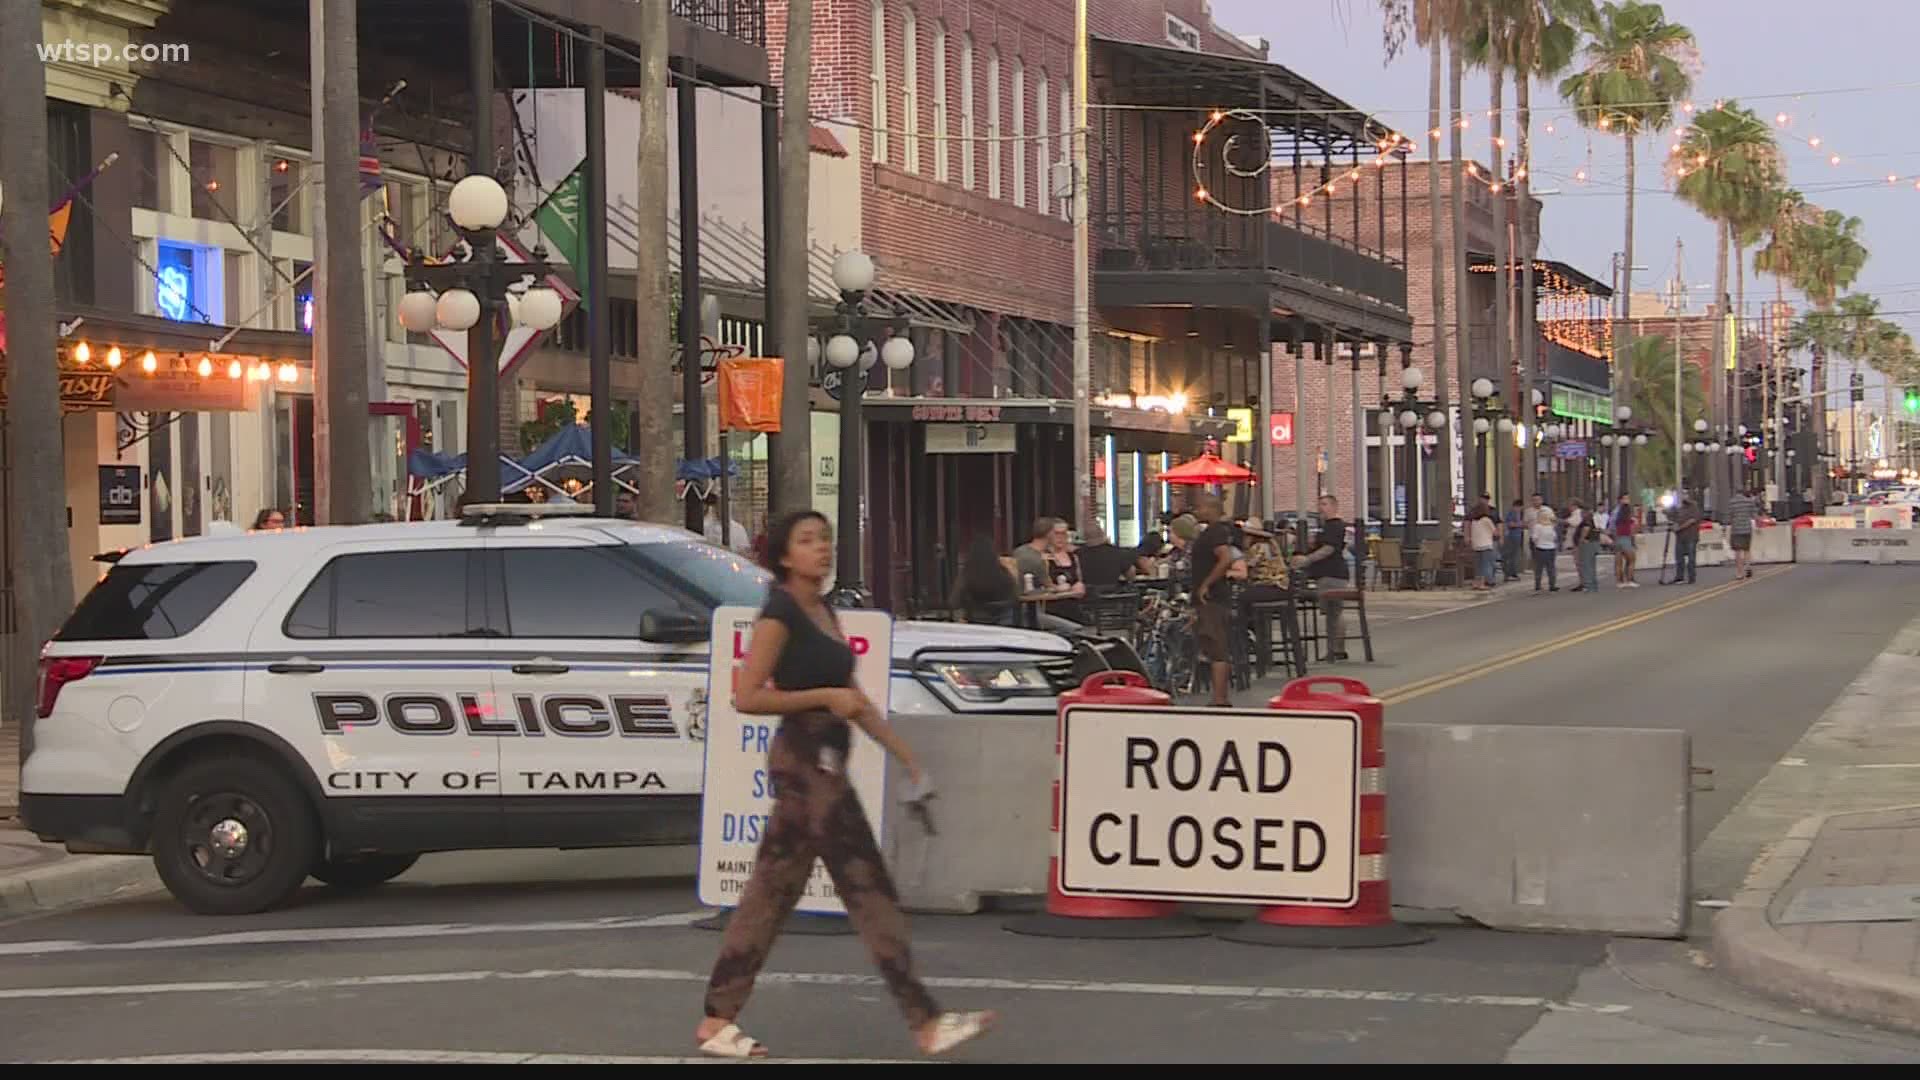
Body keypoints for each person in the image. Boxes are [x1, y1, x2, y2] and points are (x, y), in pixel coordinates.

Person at [696, 510, 994, 1059]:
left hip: (827, 757)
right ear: (785, 556)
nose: (822, 549)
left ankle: (718, 1019)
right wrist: (821, 699)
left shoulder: (823, 609)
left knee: (772, 892)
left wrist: (906, 757)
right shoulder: (779, 613)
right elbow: (748, 696)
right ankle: (925, 1020)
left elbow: (853, 696)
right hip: (806, 762)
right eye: (807, 541)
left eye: (825, 539)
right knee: (866, 888)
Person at [1189, 493, 1237, 707]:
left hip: (1213, 597)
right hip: (1207, 597)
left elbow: (1225, 558)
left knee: (1216, 644)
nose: (1196, 511)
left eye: (1199, 507)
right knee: (1210, 643)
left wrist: (1207, 583)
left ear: (1210, 508)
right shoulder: (1210, 532)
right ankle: (1219, 696)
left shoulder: (1216, 532)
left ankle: (1220, 698)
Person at [1292, 494, 1351, 662]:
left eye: (1324, 504)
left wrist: (1307, 560)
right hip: (1330, 574)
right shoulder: (1328, 528)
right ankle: (1337, 649)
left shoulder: (1334, 526)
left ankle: (1336, 649)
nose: (1321, 508)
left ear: (1334, 506)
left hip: (1332, 573)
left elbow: (1329, 549)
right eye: (1320, 505)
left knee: (1334, 611)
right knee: (1333, 612)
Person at [949, 534, 1018, 626]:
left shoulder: (967, 574)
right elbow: (1015, 596)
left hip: (977, 624)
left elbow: (954, 601)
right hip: (1005, 623)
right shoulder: (1003, 573)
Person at [1727, 485, 1761, 579]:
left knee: (1737, 551)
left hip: (1736, 529)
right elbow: (1754, 515)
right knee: (1747, 549)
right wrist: (1759, 523)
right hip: (1747, 528)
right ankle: (1748, 567)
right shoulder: (1749, 502)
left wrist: (1727, 525)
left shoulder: (1732, 502)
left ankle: (1739, 572)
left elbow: (1729, 516)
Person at [1569, 498, 1601, 594]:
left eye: (1583, 512)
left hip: (1587, 544)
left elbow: (1586, 529)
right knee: (1590, 565)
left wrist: (1581, 540)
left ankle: (1588, 585)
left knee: (1586, 565)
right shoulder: (1591, 519)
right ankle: (1592, 585)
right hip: (1591, 543)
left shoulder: (1587, 520)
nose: (1582, 514)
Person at [1670, 494, 1702, 585]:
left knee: (1691, 558)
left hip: (1691, 536)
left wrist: (1679, 527)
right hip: (1680, 537)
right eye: (1682, 495)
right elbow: (1674, 519)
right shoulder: (1679, 508)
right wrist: (1674, 526)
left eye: (1686, 495)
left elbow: (1692, 520)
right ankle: (1679, 577)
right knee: (1679, 558)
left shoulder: (1694, 507)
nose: (1684, 497)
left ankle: (1691, 577)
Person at [1609, 494, 1639, 588]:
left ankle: (1619, 582)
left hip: (1618, 538)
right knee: (1631, 560)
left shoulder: (1617, 518)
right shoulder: (1630, 520)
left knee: (1618, 562)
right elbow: (1632, 531)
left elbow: (1612, 527)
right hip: (1626, 539)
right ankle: (1629, 580)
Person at [1468, 503, 1499, 592]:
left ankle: (1476, 583)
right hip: (1486, 544)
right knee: (1486, 565)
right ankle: (1483, 583)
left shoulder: (1474, 521)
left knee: (1478, 565)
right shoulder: (1487, 520)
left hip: (1476, 545)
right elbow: (1495, 532)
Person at [1530, 507, 1560, 592]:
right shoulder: (1551, 526)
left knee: (1539, 568)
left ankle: (1538, 585)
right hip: (1551, 548)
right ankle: (1552, 585)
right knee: (1551, 567)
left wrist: (1536, 544)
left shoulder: (1537, 526)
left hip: (1540, 548)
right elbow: (1554, 537)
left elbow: (1534, 538)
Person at [1502, 498, 1527, 582]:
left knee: (1514, 555)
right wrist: (1520, 524)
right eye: (1519, 507)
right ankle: (1509, 574)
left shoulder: (1518, 513)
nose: (1520, 509)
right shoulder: (1512, 513)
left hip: (1517, 536)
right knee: (1510, 555)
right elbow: (1510, 524)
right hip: (1512, 536)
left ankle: (1512, 573)